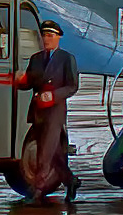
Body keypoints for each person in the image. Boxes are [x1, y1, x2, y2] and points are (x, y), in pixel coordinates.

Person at [13, 20, 80, 204]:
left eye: (50, 36)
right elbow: (29, 84)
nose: (46, 39)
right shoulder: (36, 59)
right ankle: (71, 181)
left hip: (55, 113)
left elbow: (72, 86)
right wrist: (22, 81)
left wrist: (53, 96)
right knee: (56, 155)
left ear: (58, 38)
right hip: (38, 112)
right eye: (44, 36)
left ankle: (38, 190)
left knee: (44, 152)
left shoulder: (67, 59)